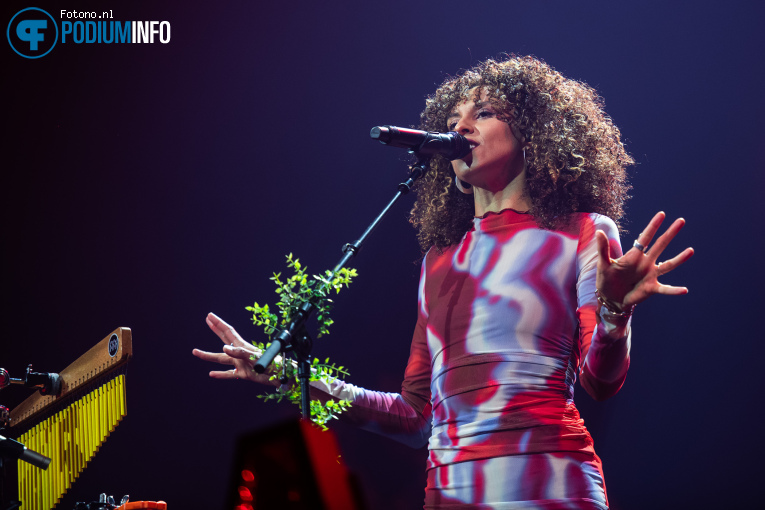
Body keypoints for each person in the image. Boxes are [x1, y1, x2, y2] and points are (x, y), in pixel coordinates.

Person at [193, 55, 693, 509]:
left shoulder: (583, 232)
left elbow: (599, 384)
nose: (462, 127)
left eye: (484, 114)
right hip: (451, 494)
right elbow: (415, 417)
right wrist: (289, 374)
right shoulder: (439, 260)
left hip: (551, 484)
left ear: (535, 135)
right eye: (453, 121)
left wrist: (613, 316)